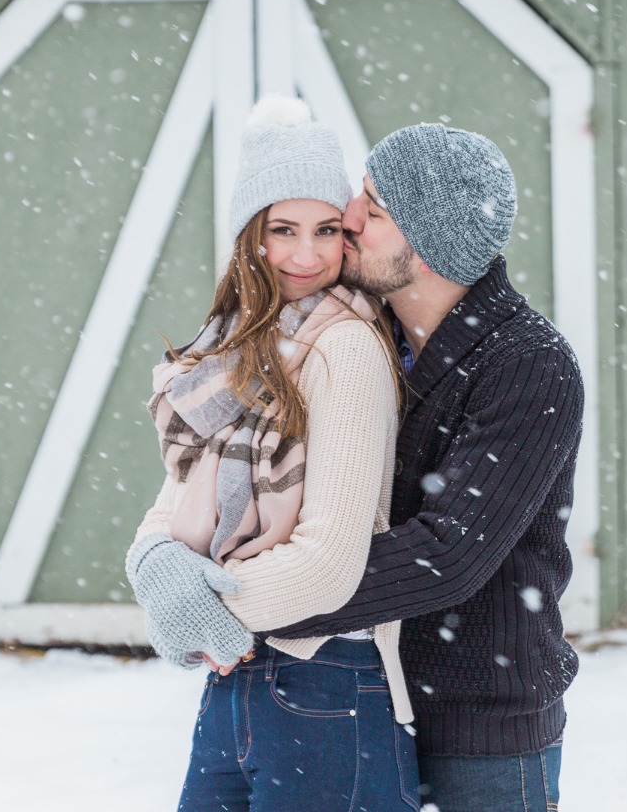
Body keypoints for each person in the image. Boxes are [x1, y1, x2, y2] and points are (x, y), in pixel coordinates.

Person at [137, 120, 586, 812]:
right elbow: (230, 452)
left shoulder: (527, 366)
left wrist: (232, 600)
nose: (346, 219)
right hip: (365, 688)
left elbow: (449, 554)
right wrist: (160, 560)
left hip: (481, 725)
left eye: (370, 211)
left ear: (427, 247)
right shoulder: (355, 324)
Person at [124, 95, 419, 811]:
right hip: (240, 677)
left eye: (326, 230)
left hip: (328, 678)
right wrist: (156, 564)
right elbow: (179, 496)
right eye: (281, 230)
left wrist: (203, 605)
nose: (306, 255)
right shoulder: (241, 349)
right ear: (248, 238)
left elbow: (329, 565)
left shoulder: (343, 344)